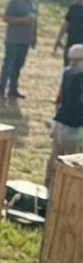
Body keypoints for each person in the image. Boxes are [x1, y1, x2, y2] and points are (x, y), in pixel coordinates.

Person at [0, 0, 40, 101]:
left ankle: (13, 90)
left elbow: (35, 21)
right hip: (13, 39)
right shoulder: (14, 0)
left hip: (25, 40)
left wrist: (34, 36)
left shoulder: (34, 1)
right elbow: (5, 18)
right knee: (8, 65)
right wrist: (22, 20)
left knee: (19, 65)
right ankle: (1, 89)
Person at [47, 43, 83, 188]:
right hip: (75, 126)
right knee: (71, 161)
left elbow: (59, 97)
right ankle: (66, 188)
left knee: (54, 154)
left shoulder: (67, 72)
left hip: (60, 121)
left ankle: (48, 183)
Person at [53, 0, 83, 67]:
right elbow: (66, 24)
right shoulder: (73, 8)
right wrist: (59, 39)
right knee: (68, 70)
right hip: (70, 44)